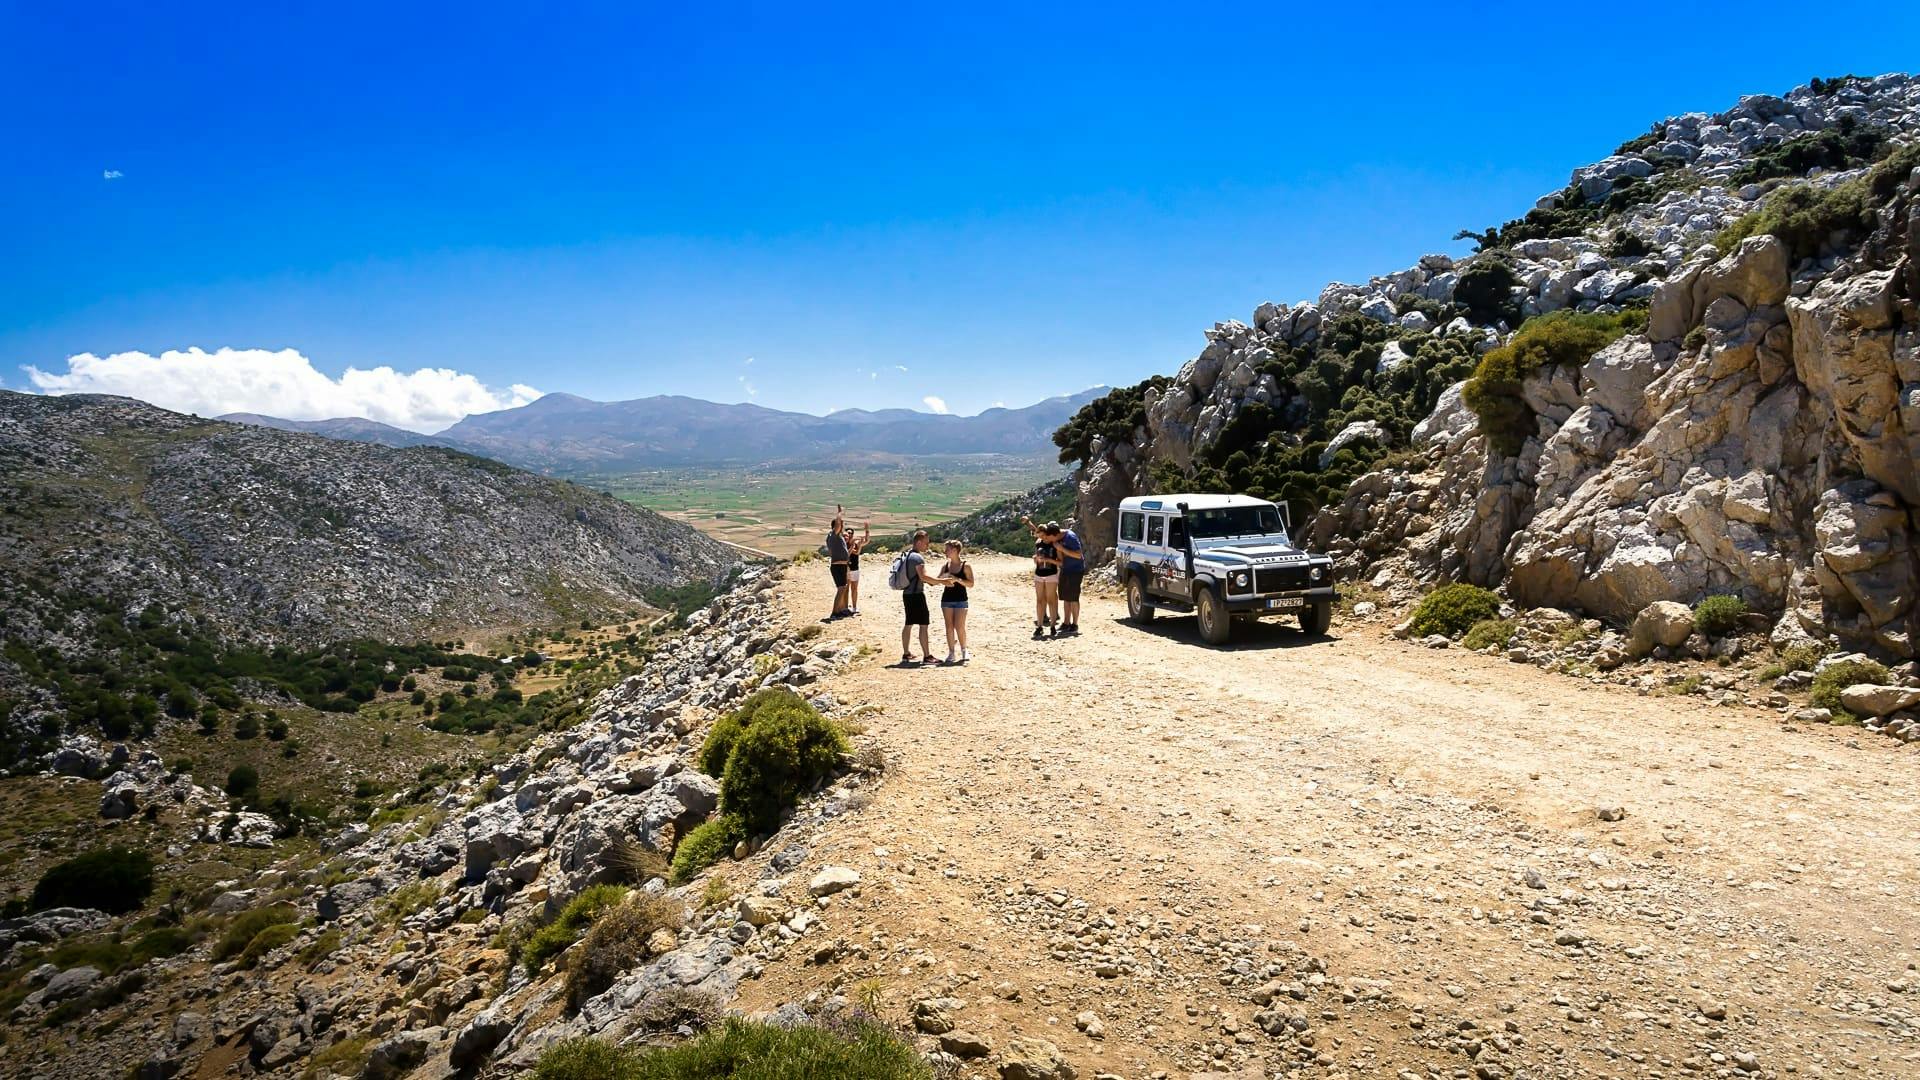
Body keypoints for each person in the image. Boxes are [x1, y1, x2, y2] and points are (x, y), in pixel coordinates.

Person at [899, 530, 947, 665]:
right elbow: (923, 576)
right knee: (923, 625)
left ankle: (906, 653)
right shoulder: (917, 558)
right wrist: (941, 581)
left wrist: (934, 581)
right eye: (926, 543)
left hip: (907, 594)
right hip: (917, 595)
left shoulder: (907, 555)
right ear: (919, 542)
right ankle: (927, 656)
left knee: (908, 623)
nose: (928, 546)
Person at [1021, 514, 1060, 639]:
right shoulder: (1038, 543)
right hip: (1039, 574)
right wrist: (1036, 559)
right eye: (1040, 536)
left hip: (1051, 574)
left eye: (1043, 535)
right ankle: (1039, 626)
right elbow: (1035, 531)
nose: (1042, 537)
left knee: (1051, 600)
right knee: (1039, 600)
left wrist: (1048, 560)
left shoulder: (1055, 544)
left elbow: (1060, 562)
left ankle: (1053, 626)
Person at [937, 539, 974, 665]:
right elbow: (937, 580)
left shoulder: (966, 566)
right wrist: (943, 579)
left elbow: (971, 584)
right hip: (946, 599)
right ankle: (951, 652)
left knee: (959, 626)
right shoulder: (945, 566)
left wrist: (957, 579)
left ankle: (964, 650)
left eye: (947, 549)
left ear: (954, 550)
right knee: (949, 627)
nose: (945, 552)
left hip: (961, 600)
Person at [1050, 521, 1085, 635]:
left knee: (1073, 598)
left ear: (1055, 534)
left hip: (1075, 570)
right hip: (1065, 569)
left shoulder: (1070, 537)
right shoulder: (1058, 539)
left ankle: (1074, 624)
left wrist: (1061, 549)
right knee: (1066, 597)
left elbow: (1078, 555)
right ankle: (1066, 623)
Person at [824, 504, 852, 620]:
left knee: (842, 588)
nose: (842, 526)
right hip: (838, 566)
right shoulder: (833, 535)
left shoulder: (835, 537)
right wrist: (839, 513)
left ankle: (839, 610)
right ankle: (834, 613)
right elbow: (838, 523)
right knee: (841, 589)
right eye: (841, 525)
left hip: (841, 565)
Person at [844, 521, 871, 615]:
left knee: (854, 588)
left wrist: (867, 530)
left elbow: (866, 541)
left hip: (854, 568)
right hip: (846, 569)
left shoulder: (856, 543)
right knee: (846, 589)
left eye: (851, 533)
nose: (850, 535)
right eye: (848, 533)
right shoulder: (843, 544)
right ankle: (845, 607)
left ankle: (854, 607)